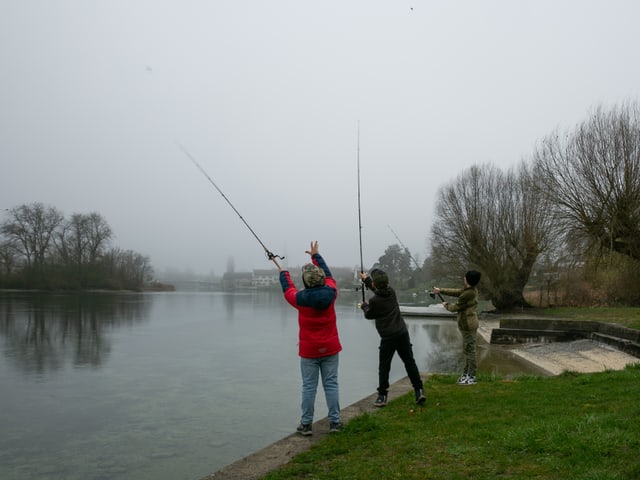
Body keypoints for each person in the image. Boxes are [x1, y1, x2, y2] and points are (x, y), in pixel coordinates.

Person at [277, 241, 343, 435]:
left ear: (305, 282)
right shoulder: (332, 293)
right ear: (322, 280)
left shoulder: (299, 300)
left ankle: (306, 425)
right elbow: (329, 274)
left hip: (309, 351)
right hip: (330, 348)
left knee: (308, 387)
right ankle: (335, 423)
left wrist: (283, 273)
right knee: (331, 384)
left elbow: (287, 289)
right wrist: (316, 256)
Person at [359, 269, 426, 407]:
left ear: (377, 284)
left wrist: (364, 306)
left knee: (384, 366)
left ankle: (382, 395)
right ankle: (419, 390)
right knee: (409, 362)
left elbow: (369, 315)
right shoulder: (392, 292)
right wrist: (366, 279)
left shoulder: (374, 301)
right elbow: (378, 289)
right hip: (402, 333)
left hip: (388, 337)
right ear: (387, 282)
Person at [433, 270, 482, 386]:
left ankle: (472, 377)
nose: (463, 278)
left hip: (468, 325)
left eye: (465, 277)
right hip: (468, 324)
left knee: (470, 351)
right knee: (468, 349)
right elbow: (458, 292)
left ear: (468, 279)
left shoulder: (468, 294)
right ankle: (466, 374)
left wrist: (446, 305)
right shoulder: (470, 290)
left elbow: (456, 307)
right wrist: (441, 290)